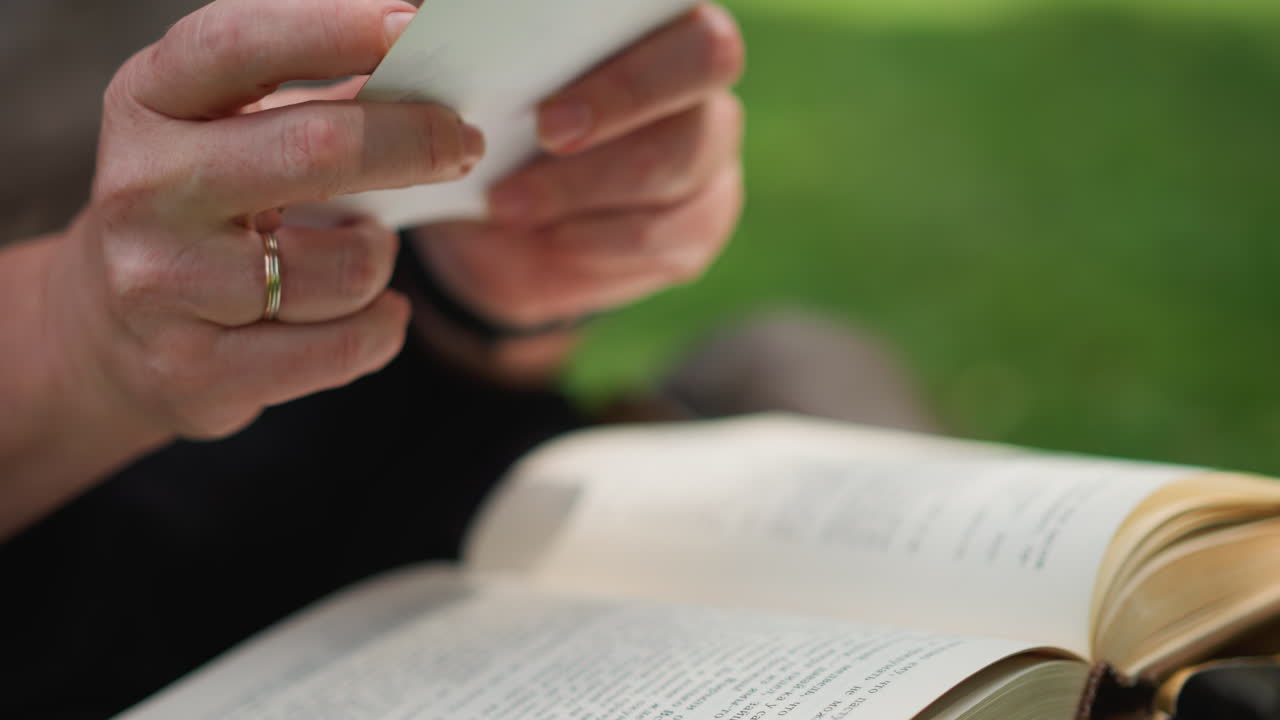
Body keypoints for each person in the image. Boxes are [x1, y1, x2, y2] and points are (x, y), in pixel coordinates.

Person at [0, 0, 746, 716]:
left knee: (793, 364)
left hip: (407, 518)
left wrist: (490, 273)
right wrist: (77, 329)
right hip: (83, 625)